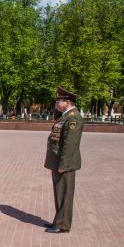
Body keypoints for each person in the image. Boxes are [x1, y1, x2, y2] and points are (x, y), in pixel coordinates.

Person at [44, 87, 84, 234]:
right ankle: (58, 221)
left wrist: (64, 165)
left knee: (65, 194)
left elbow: (70, 144)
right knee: (60, 193)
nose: (56, 103)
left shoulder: (73, 117)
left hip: (64, 163)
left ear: (67, 102)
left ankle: (62, 225)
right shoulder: (65, 115)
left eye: (58, 100)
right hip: (58, 161)